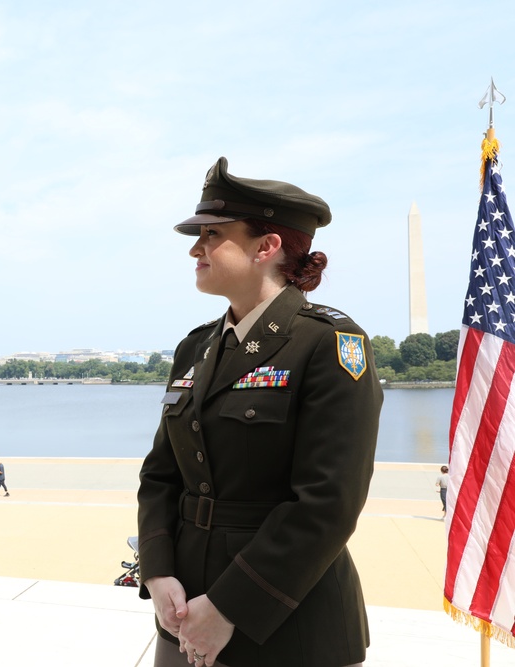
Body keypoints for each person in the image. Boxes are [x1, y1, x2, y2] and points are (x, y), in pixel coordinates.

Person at [136, 157, 383, 667]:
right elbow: (160, 475)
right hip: (180, 614)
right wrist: (157, 572)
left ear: (266, 247)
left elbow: (327, 503)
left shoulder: (329, 343)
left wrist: (228, 608)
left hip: (285, 624)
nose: (194, 248)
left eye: (212, 234)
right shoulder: (196, 348)